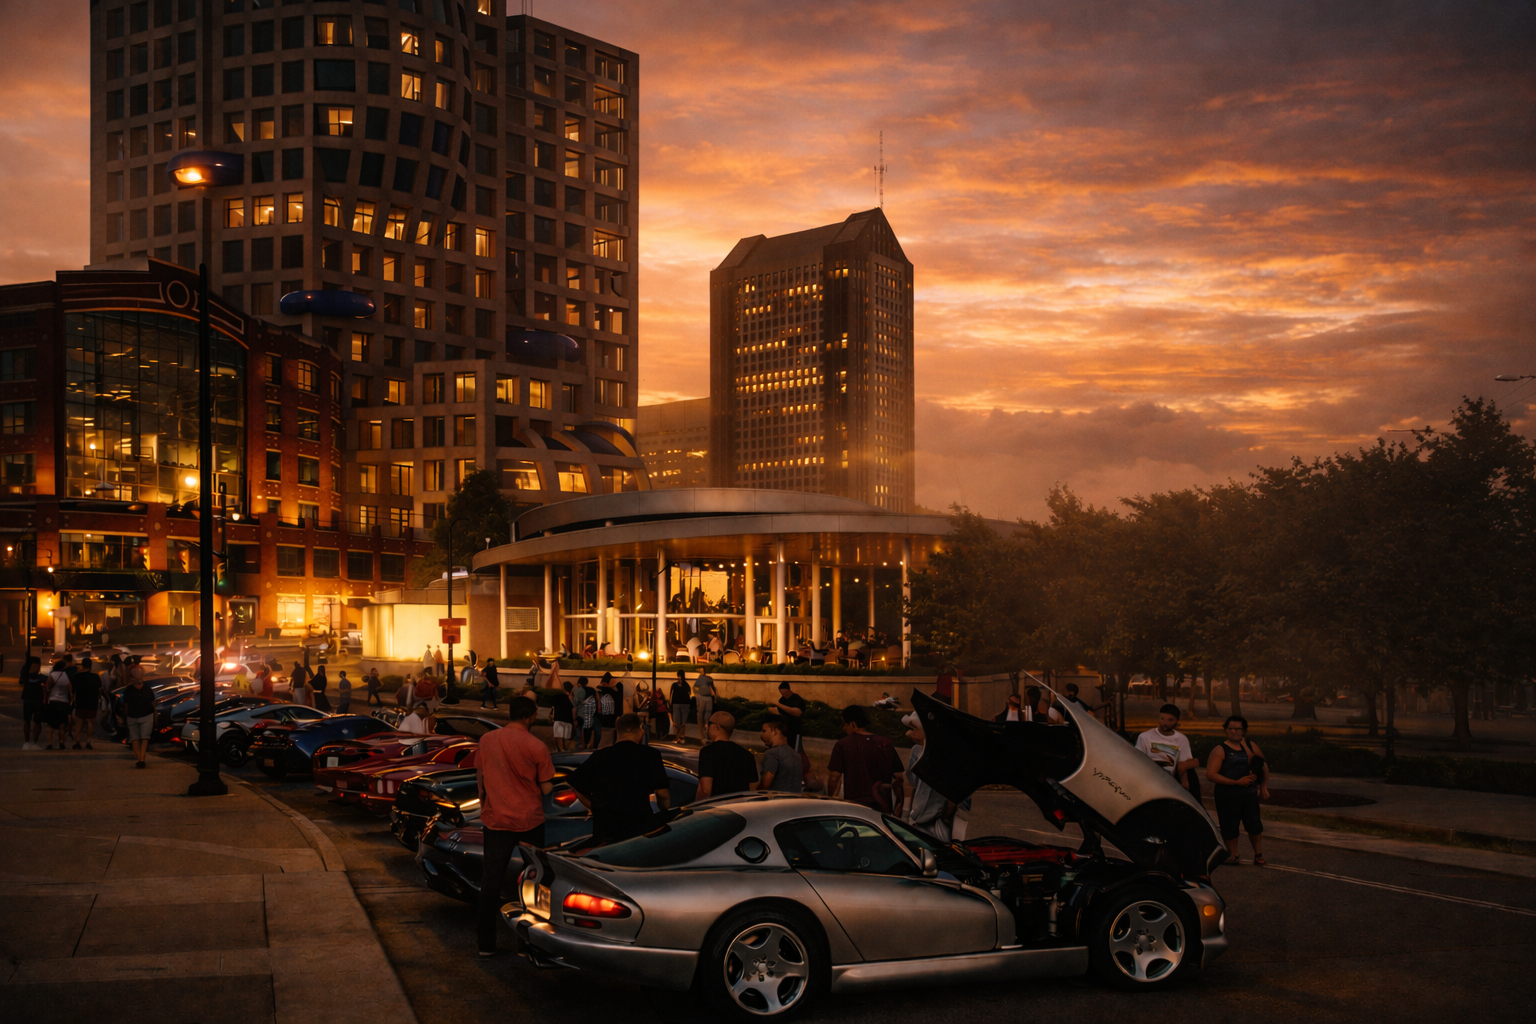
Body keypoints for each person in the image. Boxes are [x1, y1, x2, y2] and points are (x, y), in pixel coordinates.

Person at [475, 695, 555, 956]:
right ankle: (527, 944)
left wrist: (485, 803)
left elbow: (481, 779)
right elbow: (546, 787)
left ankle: (485, 945)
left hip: (496, 821)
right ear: (531, 716)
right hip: (528, 821)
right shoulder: (537, 746)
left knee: (491, 883)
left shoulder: (486, 741)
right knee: (534, 882)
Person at [568, 714, 671, 842]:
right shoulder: (650, 755)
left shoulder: (600, 756)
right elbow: (662, 794)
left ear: (618, 730)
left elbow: (574, 782)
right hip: (638, 832)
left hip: (605, 832)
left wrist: (593, 807)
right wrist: (664, 810)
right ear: (641, 728)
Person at [1207, 715, 1270, 866]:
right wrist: (1235, 782)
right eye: (1231, 728)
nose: (1234, 732)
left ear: (1244, 731)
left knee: (1254, 824)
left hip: (1249, 794)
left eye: (1238, 729)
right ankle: (1233, 854)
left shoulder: (1250, 745)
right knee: (1230, 825)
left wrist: (1263, 786)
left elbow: (1263, 764)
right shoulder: (1220, 749)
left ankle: (1258, 853)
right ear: (1226, 730)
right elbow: (1210, 774)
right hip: (1227, 794)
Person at [826, 705, 905, 812]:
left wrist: (828, 798)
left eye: (844, 724)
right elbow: (899, 777)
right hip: (882, 807)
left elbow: (834, 777)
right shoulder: (885, 743)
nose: (843, 728)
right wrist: (898, 806)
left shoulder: (843, 744)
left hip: (854, 807)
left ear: (853, 723)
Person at [903, 712, 953, 839]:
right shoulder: (919, 750)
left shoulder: (941, 754)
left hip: (934, 820)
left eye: (915, 729)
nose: (911, 733)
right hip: (919, 818)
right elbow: (913, 781)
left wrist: (945, 819)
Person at [1136, 703, 1199, 792]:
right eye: (1162, 718)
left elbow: (1183, 765)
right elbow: (1138, 761)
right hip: (1149, 776)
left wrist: (1185, 786)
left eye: (1170, 720)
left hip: (1168, 780)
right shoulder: (1145, 737)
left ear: (1177, 721)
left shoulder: (1181, 739)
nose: (1164, 723)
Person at [696, 712, 759, 798]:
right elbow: (753, 789)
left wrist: (697, 808)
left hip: (716, 807)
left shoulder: (708, 752)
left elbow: (705, 790)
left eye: (709, 724)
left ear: (716, 727)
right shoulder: (747, 755)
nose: (707, 727)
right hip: (739, 807)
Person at [121, 664, 157, 768]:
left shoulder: (128, 690)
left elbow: (126, 705)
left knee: (135, 738)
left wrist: (125, 716)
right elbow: (153, 703)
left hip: (132, 716)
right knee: (145, 738)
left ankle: (139, 758)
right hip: (147, 715)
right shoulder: (147, 689)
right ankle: (142, 758)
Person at [757, 715, 803, 793]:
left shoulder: (772, 754)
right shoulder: (796, 755)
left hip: (776, 801)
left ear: (774, 730)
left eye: (764, 730)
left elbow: (764, 786)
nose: (761, 734)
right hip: (794, 801)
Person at [72, 656, 104, 750]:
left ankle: (77, 741)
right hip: (92, 701)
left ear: (82, 665)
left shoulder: (77, 676)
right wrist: (99, 700)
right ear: (90, 666)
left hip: (80, 701)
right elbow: (99, 690)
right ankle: (88, 741)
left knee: (79, 721)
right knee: (90, 722)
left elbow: (73, 690)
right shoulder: (95, 677)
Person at [43, 660, 73, 750]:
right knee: (62, 724)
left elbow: (47, 687)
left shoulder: (52, 675)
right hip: (64, 702)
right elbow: (70, 691)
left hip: (53, 701)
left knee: (50, 724)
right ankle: (61, 742)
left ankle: (49, 743)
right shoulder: (66, 676)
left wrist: (45, 699)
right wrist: (70, 702)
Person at [20, 656, 45, 750]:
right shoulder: (41, 678)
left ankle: (26, 742)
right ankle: (35, 741)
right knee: (37, 721)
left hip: (27, 698)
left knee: (26, 721)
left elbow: (22, 679)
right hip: (38, 699)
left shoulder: (25, 674)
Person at [774, 681, 807, 750]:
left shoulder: (797, 699)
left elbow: (798, 712)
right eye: (781, 692)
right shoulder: (782, 700)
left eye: (784, 691)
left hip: (796, 727)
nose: (783, 693)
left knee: (796, 747)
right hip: (786, 727)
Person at [549, 680, 575, 752]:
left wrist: (552, 716)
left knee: (559, 736)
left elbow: (553, 707)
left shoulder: (556, 697)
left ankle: (561, 749)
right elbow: (573, 708)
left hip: (559, 718)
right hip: (568, 719)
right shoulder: (571, 697)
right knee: (565, 737)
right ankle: (564, 749)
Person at [693, 667, 715, 743]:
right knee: (700, 717)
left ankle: (706, 735)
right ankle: (702, 736)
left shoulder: (709, 679)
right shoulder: (700, 679)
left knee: (706, 718)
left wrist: (714, 697)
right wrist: (697, 695)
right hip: (702, 698)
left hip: (707, 698)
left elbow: (712, 688)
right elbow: (695, 688)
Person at [669, 671, 692, 743]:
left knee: (682, 722)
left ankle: (680, 737)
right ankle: (679, 737)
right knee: (678, 721)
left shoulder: (684, 685)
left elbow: (689, 693)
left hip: (682, 703)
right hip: (680, 703)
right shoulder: (675, 685)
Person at [596, 675, 617, 747]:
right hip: (612, 722)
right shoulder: (614, 694)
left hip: (602, 721)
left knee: (603, 742)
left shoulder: (600, 694)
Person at [576, 681, 599, 749]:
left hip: (584, 719)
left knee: (583, 729)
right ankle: (589, 745)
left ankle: (583, 744)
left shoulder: (584, 701)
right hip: (591, 719)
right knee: (591, 729)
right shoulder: (592, 700)